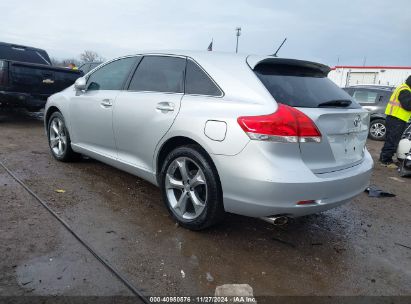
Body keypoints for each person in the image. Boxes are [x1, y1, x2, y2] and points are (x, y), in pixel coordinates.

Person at [380, 75, 411, 166]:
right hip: (397, 119)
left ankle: (384, 158)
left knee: (390, 139)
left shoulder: (404, 88)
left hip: (395, 119)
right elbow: (408, 105)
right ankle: (386, 161)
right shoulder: (405, 90)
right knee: (392, 140)